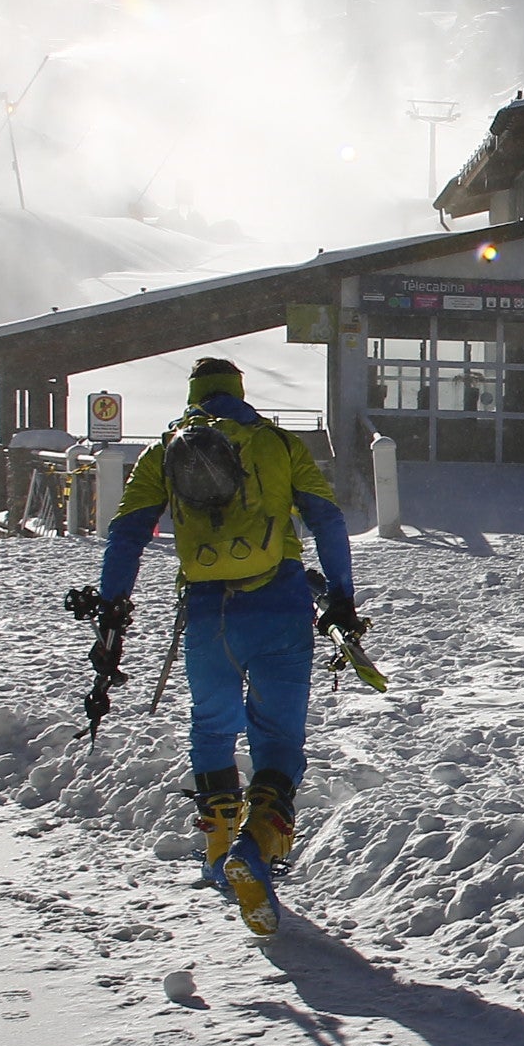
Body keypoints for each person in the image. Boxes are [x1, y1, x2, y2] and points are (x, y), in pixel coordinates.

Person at [89, 356, 367, 930]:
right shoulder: (279, 445)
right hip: (281, 605)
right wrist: (340, 595)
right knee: (279, 739)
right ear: (240, 391)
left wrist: (112, 607)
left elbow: (127, 531)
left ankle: (218, 853)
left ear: (194, 392)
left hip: (207, 611)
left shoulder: (166, 449)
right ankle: (255, 850)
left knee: (213, 726)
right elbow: (328, 521)